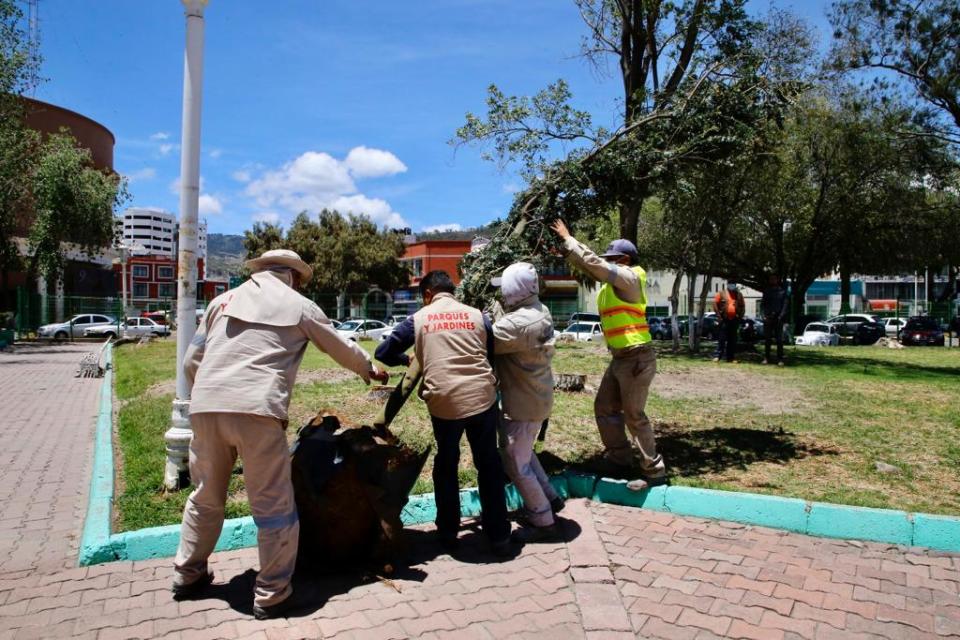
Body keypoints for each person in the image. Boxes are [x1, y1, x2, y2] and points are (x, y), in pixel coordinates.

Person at [172, 249, 388, 619]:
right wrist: (370, 370)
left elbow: (192, 360)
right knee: (273, 506)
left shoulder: (221, 302)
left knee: (205, 496)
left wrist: (206, 396)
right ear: (295, 277)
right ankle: (272, 594)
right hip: (257, 410)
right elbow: (340, 346)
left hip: (205, 407)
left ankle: (188, 575)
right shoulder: (298, 305)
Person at [375, 271, 512, 555]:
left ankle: (448, 532)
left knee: (447, 463)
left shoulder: (419, 319)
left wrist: (406, 358)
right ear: (453, 291)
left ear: (427, 294)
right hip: (481, 398)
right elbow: (487, 355)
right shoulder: (478, 316)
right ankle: (499, 535)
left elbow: (383, 352)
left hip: (444, 402)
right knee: (488, 464)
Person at [550, 220, 666, 491]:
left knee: (634, 414)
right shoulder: (615, 281)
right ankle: (619, 458)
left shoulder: (631, 277)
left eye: (612, 259)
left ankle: (654, 471)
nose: (607, 263)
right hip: (621, 358)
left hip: (637, 356)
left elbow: (595, 265)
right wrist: (567, 253)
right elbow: (591, 266)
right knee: (604, 406)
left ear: (625, 259)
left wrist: (570, 239)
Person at [489, 263, 564, 543]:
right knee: (525, 453)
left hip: (523, 403)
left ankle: (543, 520)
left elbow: (483, 338)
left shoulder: (517, 324)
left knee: (514, 462)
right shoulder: (538, 311)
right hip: (537, 396)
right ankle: (551, 498)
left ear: (513, 290)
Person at [713, 282, 745, 363]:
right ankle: (717, 356)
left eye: (733, 284)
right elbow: (715, 304)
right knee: (722, 339)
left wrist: (740, 317)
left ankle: (731, 358)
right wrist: (719, 316)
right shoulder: (721, 293)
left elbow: (742, 306)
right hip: (724, 319)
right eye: (730, 283)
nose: (732, 285)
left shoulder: (739, 294)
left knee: (732, 339)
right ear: (727, 284)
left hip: (734, 320)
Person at [761, 274, 789, 365]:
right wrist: (763, 316)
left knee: (779, 340)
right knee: (767, 339)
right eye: (771, 279)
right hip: (768, 318)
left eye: (774, 279)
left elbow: (785, 306)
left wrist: (781, 316)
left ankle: (780, 359)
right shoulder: (766, 291)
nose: (772, 280)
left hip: (778, 318)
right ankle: (766, 358)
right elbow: (762, 305)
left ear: (777, 280)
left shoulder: (782, 292)